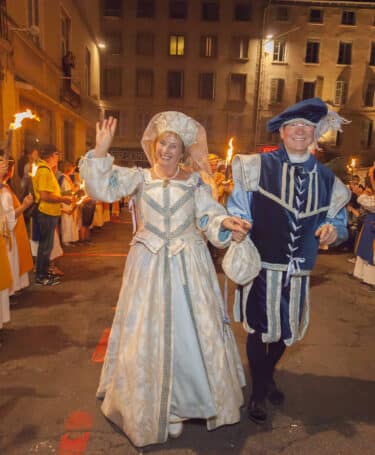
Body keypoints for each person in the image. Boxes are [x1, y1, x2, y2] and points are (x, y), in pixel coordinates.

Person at [79, 112, 248, 447]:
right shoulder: (138, 178)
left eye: (174, 145)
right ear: (154, 146)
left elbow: (208, 215)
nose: (167, 150)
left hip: (190, 265)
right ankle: (158, 408)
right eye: (163, 143)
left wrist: (225, 223)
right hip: (149, 265)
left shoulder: (195, 182)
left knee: (191, 336)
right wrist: (100, 151)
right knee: (148, 334)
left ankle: (185, 404)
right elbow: (100, 188)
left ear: (182, 151)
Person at [227, 97, 350, 424]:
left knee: (285, 332)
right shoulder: (255, 167)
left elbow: (339, 223)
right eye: (293, 126)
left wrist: (331, 232)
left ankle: (266, 375)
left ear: (314, 135)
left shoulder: (329, 181)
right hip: (261, 266)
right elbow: (236, 207)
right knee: (257, 331)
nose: (300, 131)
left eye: (307, 127)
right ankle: (258, 391)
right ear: (281, 132)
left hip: (297, 272)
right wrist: (238, 224)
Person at [31, 144, 71, 286]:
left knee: (46, 247)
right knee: (45, 247)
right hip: (46, 213)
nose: (58, 158)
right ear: (50, 155)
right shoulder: (43, 170)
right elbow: (44, 196)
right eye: (57, 154)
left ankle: (44, 273)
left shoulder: (47, 170)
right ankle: (41, 276)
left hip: (50, 213)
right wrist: (62, 199)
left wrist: (64, 196)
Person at [2, 157, 34, 296]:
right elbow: (7, 217)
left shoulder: (6, 188)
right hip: (5, 236)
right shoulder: (3, 193)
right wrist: (24, 206)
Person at [352, 186, 375, 292]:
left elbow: (365, 202)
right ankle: (362, 274)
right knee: (364, 249)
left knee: (371, 252)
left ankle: (371, 281)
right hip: (370, 222)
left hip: (372, 224)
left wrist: (363, 194)